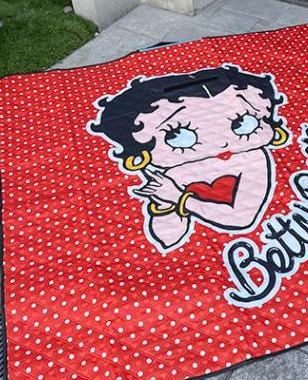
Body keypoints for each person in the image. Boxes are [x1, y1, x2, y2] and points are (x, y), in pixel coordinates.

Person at [88, 65, 290, 251]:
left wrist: (176, 197)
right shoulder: (174, 172)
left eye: (243, 123)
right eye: (177, 135)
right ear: (141, 152)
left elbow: (241, 218)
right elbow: (168, 239)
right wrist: (163, 204)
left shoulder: (252, 156)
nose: (221, 142)